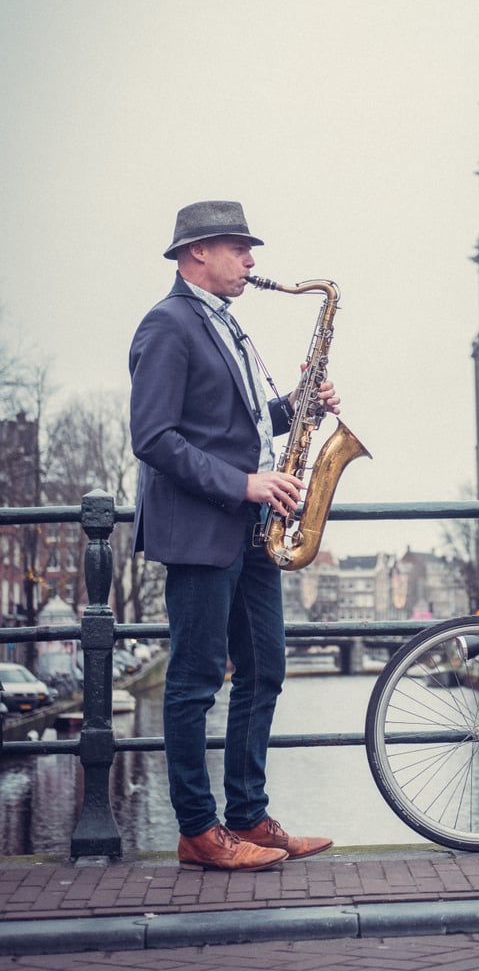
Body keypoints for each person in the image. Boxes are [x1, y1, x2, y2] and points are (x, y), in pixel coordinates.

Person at [129, 200, 338, 872]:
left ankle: (248, 815)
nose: (252, 262)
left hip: (248, 527)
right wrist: (247, 484)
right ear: (197, 253)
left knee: (266, 668)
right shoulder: (167, 325)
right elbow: (154, 439)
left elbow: (235, 424)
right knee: (193, 683)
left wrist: (298, 404)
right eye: (238, 248)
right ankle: (198, 831)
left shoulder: (225, 324)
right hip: (200, 527)